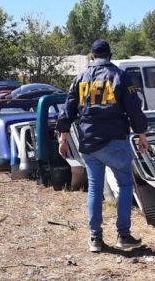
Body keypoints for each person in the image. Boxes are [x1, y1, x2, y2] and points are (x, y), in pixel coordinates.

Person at [56, 39, 149, 253]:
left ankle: (95, 239)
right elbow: (134, 109)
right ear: (110, 54)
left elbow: (67, 110)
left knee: (95, 189)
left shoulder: (79, 78)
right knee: (125, 186)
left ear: (92, 55)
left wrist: (63, 138)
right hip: (115, 140)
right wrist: (142, 134)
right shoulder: (121, 76)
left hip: (89, 143)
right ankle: (123, 235)